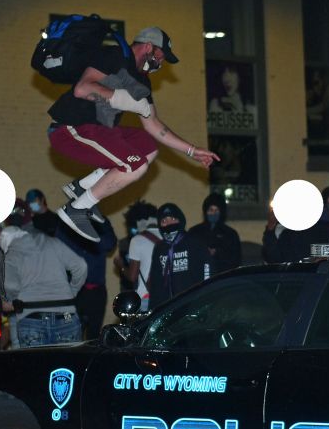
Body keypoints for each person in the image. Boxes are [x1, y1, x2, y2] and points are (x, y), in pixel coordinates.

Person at [47, 26, 219, 242]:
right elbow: (82, 89)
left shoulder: (142, 82)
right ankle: (77, 208)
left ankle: (82, 187)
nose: (161, 63)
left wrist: (192, 151)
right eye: (161, 56)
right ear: (148, 47)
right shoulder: (114, 55)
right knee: (135, 166)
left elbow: (154, 125)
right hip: (70, 128)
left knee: (147, 147)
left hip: (97, 131)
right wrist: (120, 99)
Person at [0, 222, 87, 347]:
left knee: (37, 365)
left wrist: (13, 302)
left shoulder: (11, 254)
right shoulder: (53, 243)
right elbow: (81, 266)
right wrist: (72, 291)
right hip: (66, 316)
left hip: (31, 318)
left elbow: (10, 288)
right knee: (68, 363)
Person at [56, 216, 117, 340]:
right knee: (70, 334)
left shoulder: (98, 221)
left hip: (96, 291)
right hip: (74, 291)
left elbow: (110, 243)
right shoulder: (67, 224)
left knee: (93, 337)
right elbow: (58, 245)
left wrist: (100, 220)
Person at [147, 203, 214, 308]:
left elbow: (208, 271)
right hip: (166, 309)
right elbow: (156, 282)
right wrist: (153, 310)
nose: (169, 223)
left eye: (173, 219)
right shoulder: (159, 248)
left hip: (193, 305)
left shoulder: (195, 243)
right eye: (164, 221)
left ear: (180, 220)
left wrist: (204, 300)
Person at [262, 186, 329, 263]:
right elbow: (274, 259)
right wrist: (270, 228)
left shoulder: (328, 229)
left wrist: (270, 228)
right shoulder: (288, 234)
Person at [189, 192, 241, 272]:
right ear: (205, 211)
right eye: (211, 210)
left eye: (216, 210)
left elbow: (235, 259)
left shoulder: (230, 234)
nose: (213, 213)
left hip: (222, 276)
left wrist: (217, 253)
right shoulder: (195, 232)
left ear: (221, 212)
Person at [114, 200, 157, 293]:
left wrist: (120, 265)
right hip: (153, 293)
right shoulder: (125, 244)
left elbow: (131, 276)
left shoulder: (131, 242)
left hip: (142, 294)